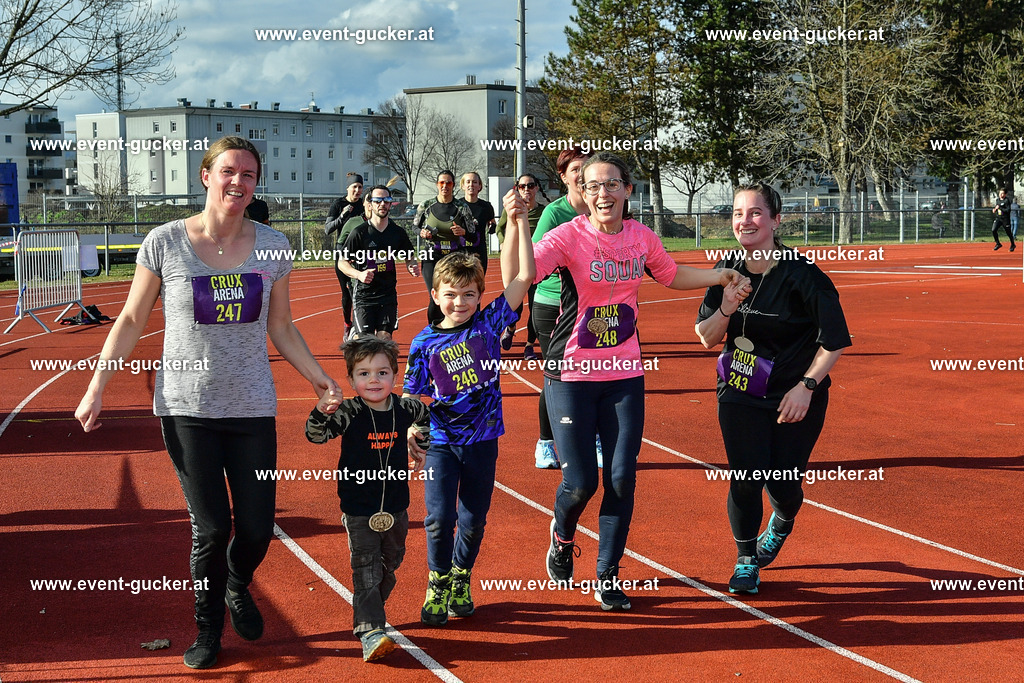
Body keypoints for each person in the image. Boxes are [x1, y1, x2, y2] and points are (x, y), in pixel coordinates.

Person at [74, 136, 340, 669]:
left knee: (259, 528)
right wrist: (96, 385)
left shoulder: (272, 245)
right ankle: (208, 627)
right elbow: (129, 319)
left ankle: (238, 582)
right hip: (187, 407)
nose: (237, 182)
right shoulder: (166, 242)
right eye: (227, 171)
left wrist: (318, 379)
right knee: (213, 526)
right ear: (206, 176)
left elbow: (282, 325)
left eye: (247, 174)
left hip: (251, 407)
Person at [531, 152, 748, 611]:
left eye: (612, 184)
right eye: (593, 186)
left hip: (625, 373)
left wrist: (720, 275)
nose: (603, 193)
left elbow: (670, 275)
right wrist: (513, 225)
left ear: (628, 190)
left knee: (622, 477)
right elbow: (526, 270)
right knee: (580, 483)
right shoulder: (568, 236)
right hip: (571, 373)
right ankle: (562, 534)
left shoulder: (641, 236)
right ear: (582, 195)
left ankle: (607, 573)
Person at [694, 181, 851, 595]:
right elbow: (707, 337)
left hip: (793, 397)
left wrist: (807, 386)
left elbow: (834, 340)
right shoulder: (727, 269)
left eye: (755, 213)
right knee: (745, 476)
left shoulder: (804, 276)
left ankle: (782, 518)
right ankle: (746, 560)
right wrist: (727, 305)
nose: (745, 221)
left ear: (776, 220)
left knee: (782, 482)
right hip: (739, 391)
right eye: (737, 213)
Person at [403, 193, 536, 626]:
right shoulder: (424, 342)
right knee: (438, 519)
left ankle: (461, 575)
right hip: (441, 443)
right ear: (435, 294)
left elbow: (524, 275)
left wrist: (518, 222)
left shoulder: (490, 323)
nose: (459, 301)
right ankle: (437, 581)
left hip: (483, 441)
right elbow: (411, 396)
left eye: (468, 294)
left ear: (479, 296)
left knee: (473, 520)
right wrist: (409, 431)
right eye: (450, 294)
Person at [305, 337, 429, 662]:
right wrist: (321, 410)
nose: (373, 380)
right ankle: (371, 630)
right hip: (359, 507)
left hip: (397, 506)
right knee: (366, 568)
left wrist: (419, 442)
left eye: (381, 372)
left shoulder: (405, 408)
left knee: (392, 562)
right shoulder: (350, 412)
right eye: (363, 374)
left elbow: (424, 414)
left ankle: (370, 607)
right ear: (351, 380)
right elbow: (315, 435)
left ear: (394, 375)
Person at [530, 147, 591, 469]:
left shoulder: (605, 210)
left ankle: (592, 439)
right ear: (564, 176)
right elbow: (535, 261)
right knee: (557, 375)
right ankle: (546, 442)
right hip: (554, 303)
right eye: (575, 169)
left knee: (594, 374)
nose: (582, 175)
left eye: (587, 167)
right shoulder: (555, 214)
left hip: (592, 308)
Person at [338, 186, 421, 340]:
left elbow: (409, 256)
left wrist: (411, 265)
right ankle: (356, 335)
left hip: (387, 294)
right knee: (367, 341)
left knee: (384, 339)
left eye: (386, 200)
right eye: (378, 201)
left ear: (390, 204)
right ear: (371, 204)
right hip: (364, 296)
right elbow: (342, 262)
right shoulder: (359, 233)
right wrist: (359, 274)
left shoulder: (397, 233)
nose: (382, 204)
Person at [412, 170, 477, 326]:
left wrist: (463, 232)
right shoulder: (426, 205)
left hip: (454, 256)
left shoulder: (462, 207)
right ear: (437, 185)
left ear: (453, 185)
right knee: (435, 298)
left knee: (454, 296)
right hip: (432, 255)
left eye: (448, 183)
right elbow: (415, 227)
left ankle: (455, 330)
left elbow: (474, 235)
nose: (445, 186)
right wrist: (422, 232)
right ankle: (434, 332)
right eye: (442, 183)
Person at [495, 173, 546, 358]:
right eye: (522, 186)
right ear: (517, 188)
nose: (527, 190)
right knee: (515, 303)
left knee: (535, 306)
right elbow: (500, 229)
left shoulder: (544, 212)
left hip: (539, 265)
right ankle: (511, 326)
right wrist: (503, 241)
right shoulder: (512, 210)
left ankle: (529, 345)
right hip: (516, 263)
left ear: (537, 188)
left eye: (530, 186)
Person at [326, 173, 365, 338]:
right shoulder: (338, 204)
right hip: (343, 253)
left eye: (360, 187)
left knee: (360, 292)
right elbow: (328, 229)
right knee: (347, 293)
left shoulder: (365, 205)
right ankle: (348, 324)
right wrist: (342, 216)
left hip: (361, 253)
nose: (357, 190)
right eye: (354, 187)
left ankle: (360, 326)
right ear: (348, 188)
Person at [461, 171, 496, 273]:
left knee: (478, 284)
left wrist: (492, 226)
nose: (471, 185)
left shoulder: (486, 206)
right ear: (463, 186)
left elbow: (492, 222)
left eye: (474, 182)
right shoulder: (457, 205)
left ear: (479, 186)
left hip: (479, 250)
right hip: (461, 251)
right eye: (468, 182)